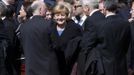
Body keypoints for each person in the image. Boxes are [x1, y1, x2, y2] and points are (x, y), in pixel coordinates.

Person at [80, 0, 131, 75]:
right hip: (121, 66)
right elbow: (128, 46)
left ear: (104, 9)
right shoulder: (126, 24)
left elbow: (88, 44)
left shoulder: (99, 25)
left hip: (103, 67)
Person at [19, 1, 59, 75]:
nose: (46, 11)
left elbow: (22, 46)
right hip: (48, 69)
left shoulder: (23, 26)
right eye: (45, 9)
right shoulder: (49, 24)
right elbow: (56, 45)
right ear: (40, 10)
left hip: (31, 69)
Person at [51, 4, 82, 75]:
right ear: (54, 16)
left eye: (62, 15)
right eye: (57, 15)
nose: (60, 18)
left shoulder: (75, 29)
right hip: (54, 67)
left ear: (66, 16)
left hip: (70, 68)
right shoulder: (49, 29)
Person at [77, 0, 105, 75]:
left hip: (94, 60)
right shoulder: (103, 16)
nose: (83, 10)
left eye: (82, 7)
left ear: (87, 8)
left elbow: (88, 42)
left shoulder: (90, 20)